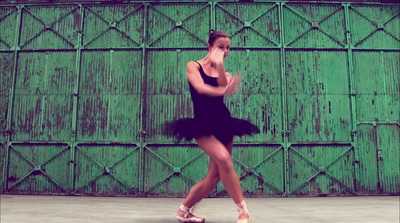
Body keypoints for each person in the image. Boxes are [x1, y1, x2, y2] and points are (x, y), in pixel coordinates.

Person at [164, 30, 259, 223]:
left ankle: (183, 211)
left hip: (224, 123)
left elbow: (224, 82)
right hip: (202, 125)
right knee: (224, 159)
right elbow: (200, 88)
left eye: (228, 48)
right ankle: (243, 211)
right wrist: (224, 88)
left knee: (213, 179)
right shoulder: (194, 66)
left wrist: (220, 65)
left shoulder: (224, 71)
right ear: (209, 47)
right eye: (221, 47)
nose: (225, 51)